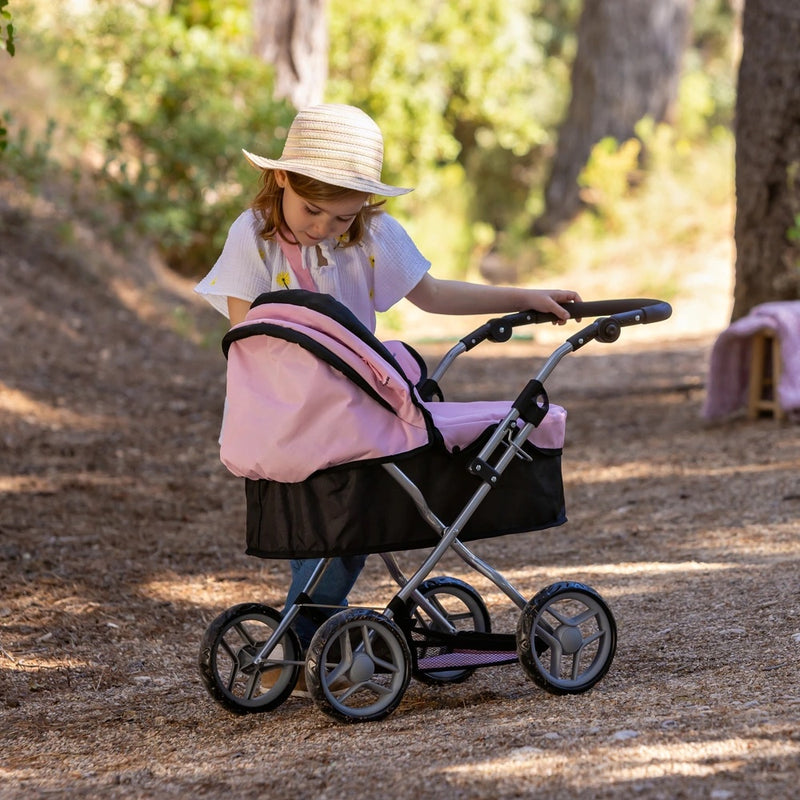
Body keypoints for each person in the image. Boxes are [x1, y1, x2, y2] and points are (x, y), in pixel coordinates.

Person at [195, 103, 581, 648]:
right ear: (280, 178)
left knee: (351, 521)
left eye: (343, 217)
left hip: (357, 411)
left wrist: (523, 296)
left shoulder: (371, 235)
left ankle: (303, 637)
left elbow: (434, 293)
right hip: (288, 409)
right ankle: (310, 635)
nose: (324, 228)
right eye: (312, 211)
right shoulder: (252, 236)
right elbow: (250, 336)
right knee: (319, 524)